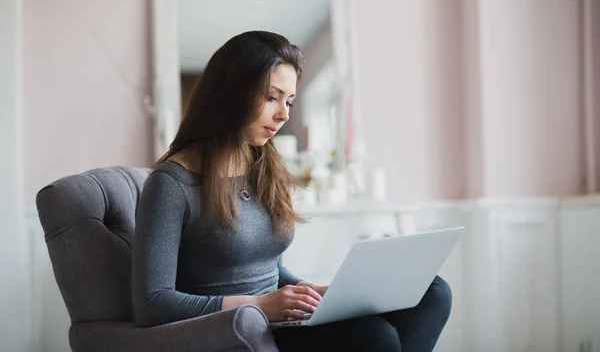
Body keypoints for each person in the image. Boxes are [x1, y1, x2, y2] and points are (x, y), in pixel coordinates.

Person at [131, 30, 452, 351]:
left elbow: (270, 270)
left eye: (289, 101)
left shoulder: (263, 166)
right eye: (272, 97)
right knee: (374, 337)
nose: (284, 114)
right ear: (230, 93)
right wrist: (259, 304)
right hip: (234, 329)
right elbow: (152, 304)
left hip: (280, 317)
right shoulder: (172, 184)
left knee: (433, 292)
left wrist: (308, 290)